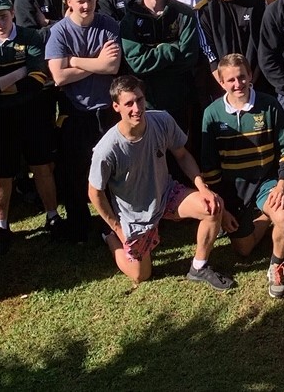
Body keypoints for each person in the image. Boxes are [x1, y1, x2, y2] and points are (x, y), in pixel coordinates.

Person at [89, 75, 235, 289]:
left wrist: (203, 188)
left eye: (139, 100)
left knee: (213, 207)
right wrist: (117, 228)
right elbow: (94, 192)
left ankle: (199, 267)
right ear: (116, 107)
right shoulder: (107, 149)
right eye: (129, 104)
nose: (137, 108)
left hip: (166, 194)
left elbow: (182, 155)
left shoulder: (162, 120)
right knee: (141, 275)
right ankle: (110, 238)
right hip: (134, 215)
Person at [0, 0, 61, 254]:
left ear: (13, 14)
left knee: (41, 166)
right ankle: (1, 226)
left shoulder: (30, 37)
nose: (0, 22)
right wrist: (19, 72)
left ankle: (53, 216)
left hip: (32, 114)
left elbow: (37, 80)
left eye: (4, 16)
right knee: (2, 173)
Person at [199, 55, 284, 297]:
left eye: (242, 77)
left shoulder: (269, 105)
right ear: (221, 82)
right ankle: (264, 217)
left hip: (266, 182)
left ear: (250, 75)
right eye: (231, 80)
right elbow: (210, 167)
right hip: (233, 190)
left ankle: (276, 266)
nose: (238, 84)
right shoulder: (212, 113)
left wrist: (282, 184)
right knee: (244, 250)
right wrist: (223, 211)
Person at [46, 0, 123, 243]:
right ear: (69, 1)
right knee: (76, 172)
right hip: (75, 112)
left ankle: (113, 223)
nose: (86, 5)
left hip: (106, 111)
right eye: (80, 1)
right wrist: (96, 63)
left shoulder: (108, 24)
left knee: (112, 170)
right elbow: (58, 77)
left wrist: (74, 61)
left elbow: (112, 66)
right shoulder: (59, 32)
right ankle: (79, 225)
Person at [120, 0, 201, 139]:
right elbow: (136, 64)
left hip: (180, 99)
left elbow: (189, 58)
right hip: (146, 104)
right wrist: (169, 49)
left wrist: (151, 57)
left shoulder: (184, 14)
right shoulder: (130, 20)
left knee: (180, 150)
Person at [199, 0, 267, 86]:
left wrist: (250, 81)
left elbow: (264, 44)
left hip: (257, 80)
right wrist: (225, 84)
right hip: (222, 84)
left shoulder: (258, 4)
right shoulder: (205, 11)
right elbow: (208, 52)